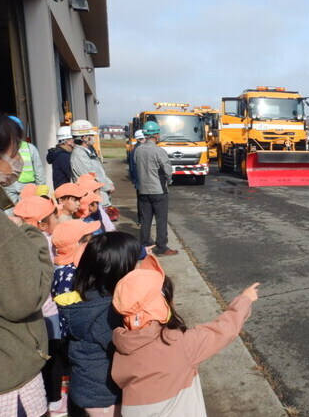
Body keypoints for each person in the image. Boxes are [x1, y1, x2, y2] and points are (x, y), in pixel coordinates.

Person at [0, 107, 54, 417]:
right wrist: (33, 238)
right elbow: (25, 298)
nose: (19, 161)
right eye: (15, 152)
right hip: (0, 375)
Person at [111, 253, 259, 416]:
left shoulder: (121, 344)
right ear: (163, 304)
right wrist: (244, 300)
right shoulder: (177, 342)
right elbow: (224, 329)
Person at [59, 232, 140, 416]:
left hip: (86, 388)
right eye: (134, 262)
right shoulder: (107, 312)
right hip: (104, 397)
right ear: (119, 269)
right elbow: (128, 350)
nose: (138, 266)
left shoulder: (90, 295)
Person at [13, 195, 67, 414]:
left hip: (30, 313)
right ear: (42, 223)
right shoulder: (43, 242)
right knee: (52, 356)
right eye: (55, 214)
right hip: (47, 310)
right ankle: (54, 399)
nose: (58, 217)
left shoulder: (17, 240)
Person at [134, 121, 178, 256]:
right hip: (158, 190)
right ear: (156, 135)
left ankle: (145, 245)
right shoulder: (159, 151)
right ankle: (162, 247)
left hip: (143, 190)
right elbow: (167, 169)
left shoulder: (138, 150)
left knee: (145, 219)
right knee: (161, 219)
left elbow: (136, 165)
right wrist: (169, 180)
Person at [69, 119, 115, 206]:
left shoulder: (88, 151)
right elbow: (90, 176)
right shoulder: (79, 155)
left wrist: (109, 182)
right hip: (91, 199)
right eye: (91, 135)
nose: (93, 138)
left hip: (100, 196)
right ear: (84, 138)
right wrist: (107, 187)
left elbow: (99, 171)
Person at [3, 115, 46, 205]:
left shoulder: (30, 148)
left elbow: (39, 171)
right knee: (11, 216)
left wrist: (41, 191)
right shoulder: (0, 148)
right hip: (8, 188)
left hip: (27, 188)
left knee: (29, 214)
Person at [129, 129, 145, 225]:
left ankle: (141, 220)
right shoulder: (138, 150)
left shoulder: (134, 149)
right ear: (140, 139)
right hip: (141, 179)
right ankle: (142, 220)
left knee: (141, 200)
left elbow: (131, 168)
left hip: (138, 179)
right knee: (142, 201)